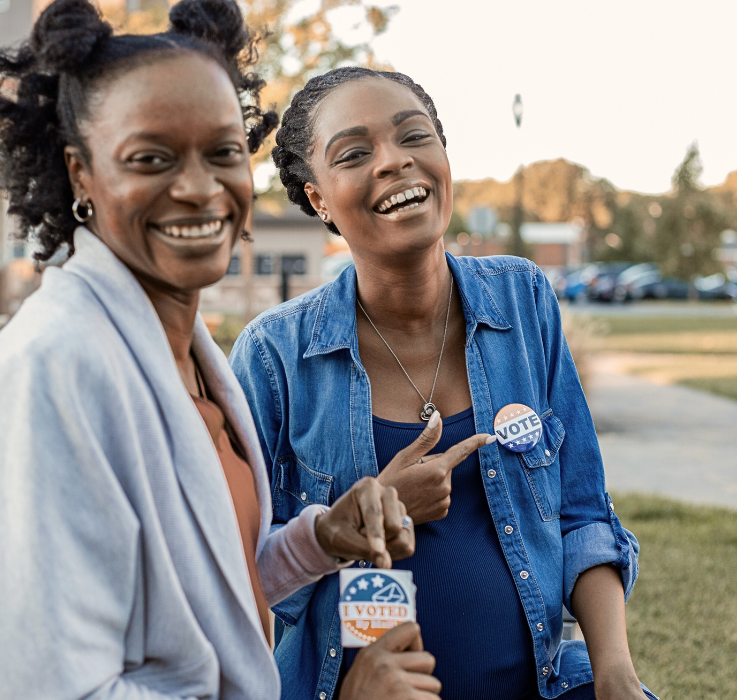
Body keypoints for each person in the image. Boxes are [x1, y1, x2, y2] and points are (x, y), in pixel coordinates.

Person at [0, 4, 441, 699]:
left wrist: (320, 538)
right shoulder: (54, 369)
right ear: (82, 174)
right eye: (152, 159)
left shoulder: (184, 348)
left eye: (224, 152)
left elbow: (207, 591)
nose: (201, 188)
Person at [229, 66, 657, 700]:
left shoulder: (522, 301)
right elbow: (235, 577)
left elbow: (581, 514)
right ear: (318, 198)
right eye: (354, 153)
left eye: (415, 136)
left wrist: (615, 672)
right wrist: (361, 517)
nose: (394, 162)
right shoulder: (273, 357)